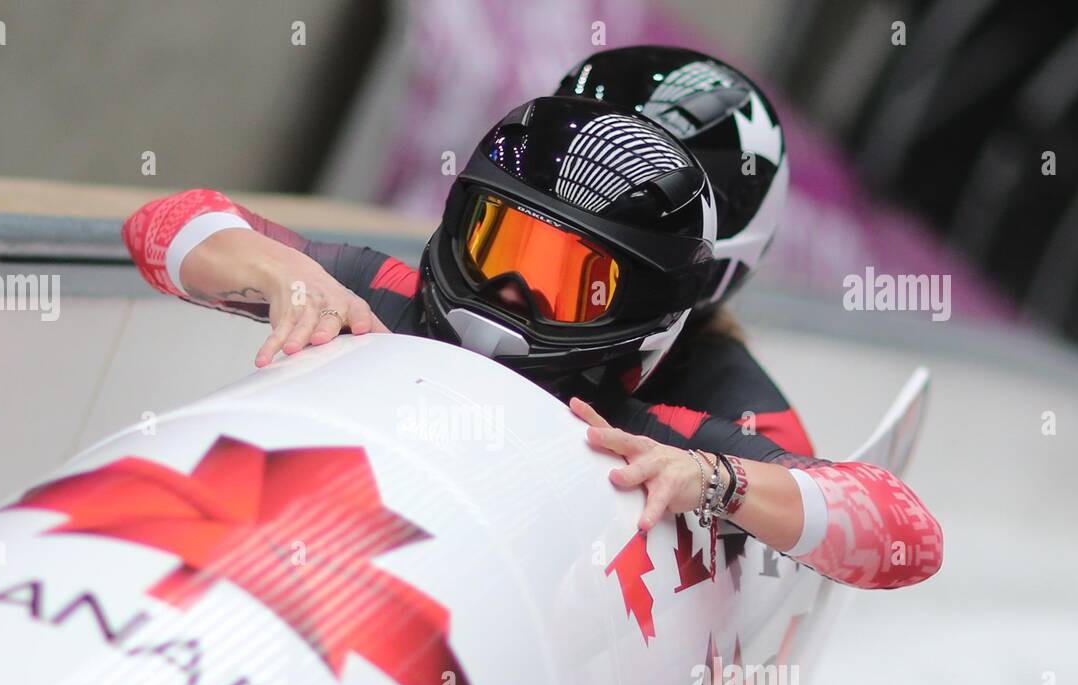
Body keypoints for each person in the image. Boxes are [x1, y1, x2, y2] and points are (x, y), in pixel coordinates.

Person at [121, 56, 942, 591]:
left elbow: (901, 533)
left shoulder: (675, 421)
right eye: (500, 241)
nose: (511, 290)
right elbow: (163, 225)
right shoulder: (388, 296)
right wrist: (276, 271)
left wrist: (715, 481)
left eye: (571, 280)